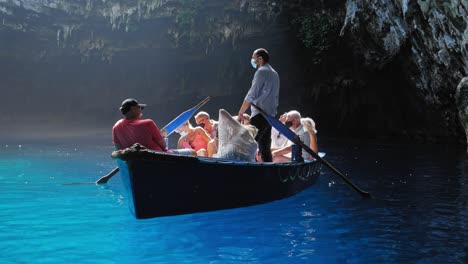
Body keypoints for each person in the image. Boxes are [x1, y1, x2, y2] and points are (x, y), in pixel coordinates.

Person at [237, 48, 280, 162]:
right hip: (270, 115)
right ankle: (269, 170)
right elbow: (275, 97)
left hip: (260, 114)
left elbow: (252, 93)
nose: (252, 60)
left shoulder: (261, 71)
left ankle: (250, 170)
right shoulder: (274, 73)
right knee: (264, 147)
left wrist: (241, 112)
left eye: (253, 57)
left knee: (248, 144)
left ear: (260, 59)